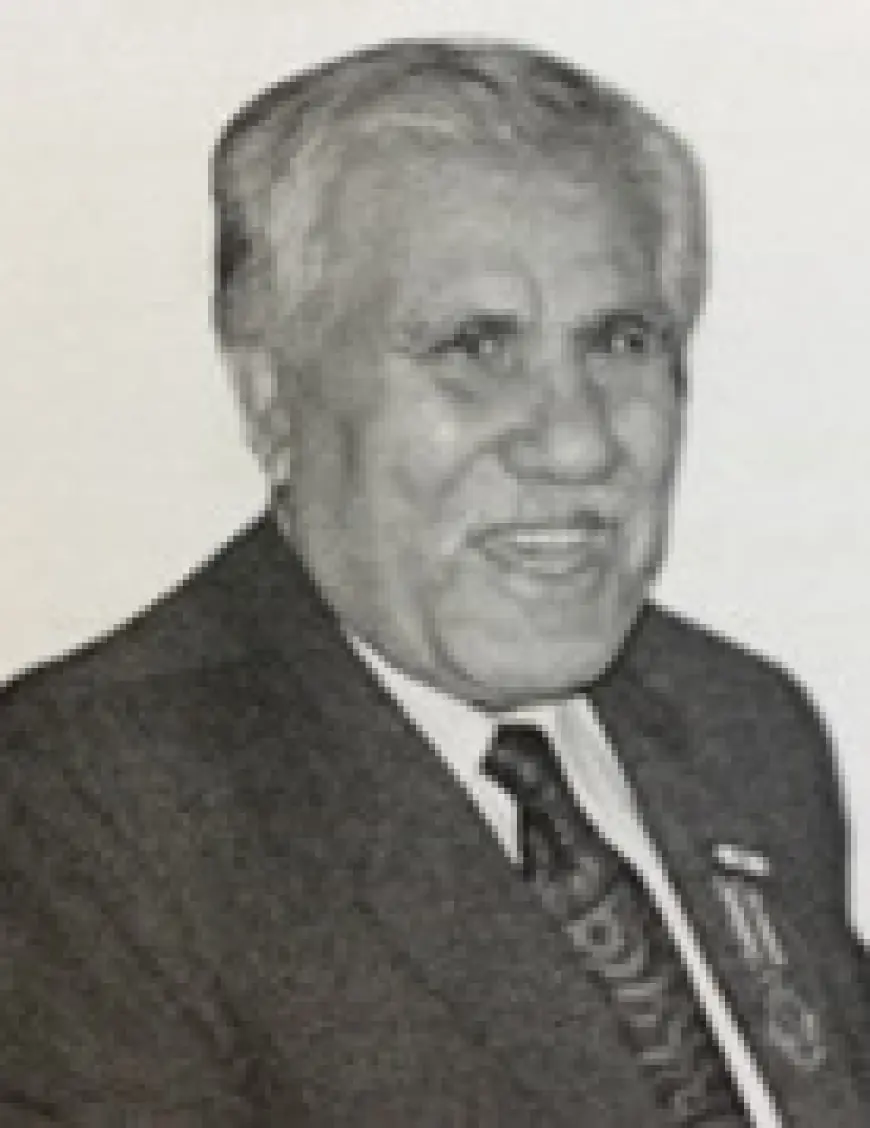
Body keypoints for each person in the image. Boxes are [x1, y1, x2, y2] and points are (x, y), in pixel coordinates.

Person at [0, 38, 866, 1128]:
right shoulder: (81, 818)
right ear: (271, 399)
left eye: (620, 341)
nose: (578, 443)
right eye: (475, 347)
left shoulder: (742, 725)